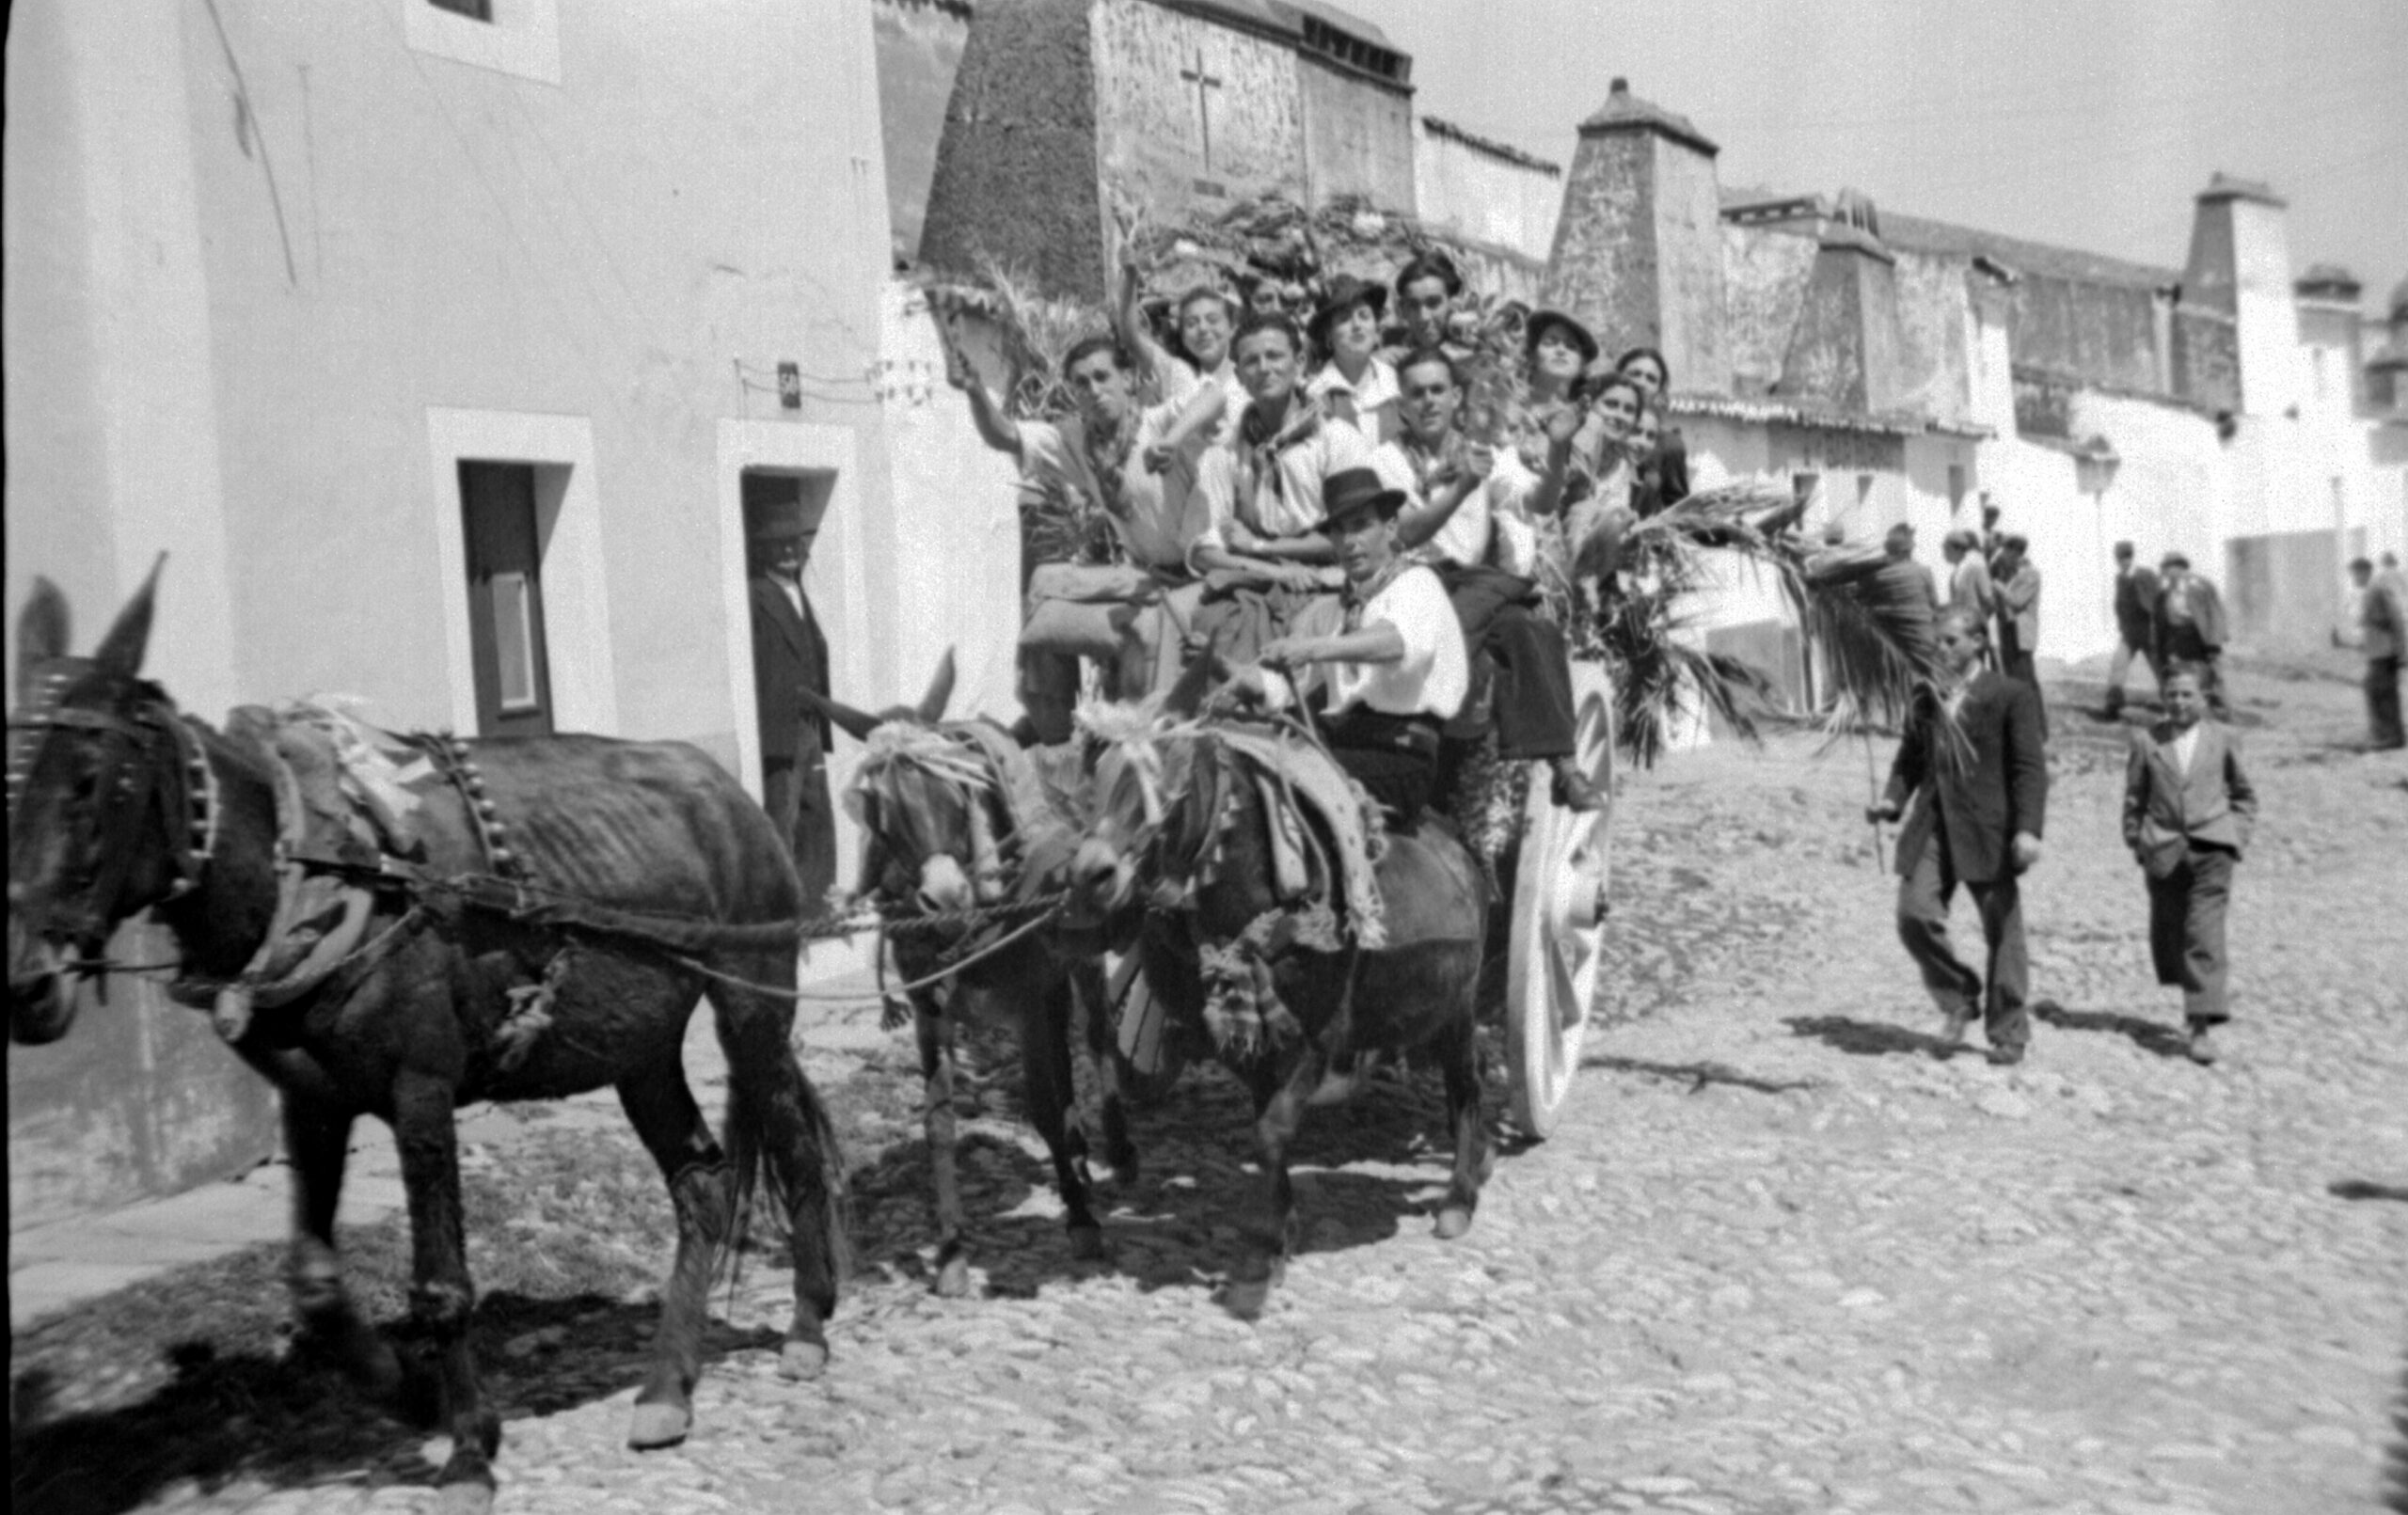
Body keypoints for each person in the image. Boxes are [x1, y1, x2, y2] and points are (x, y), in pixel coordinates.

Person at [951, 329, 1227, 744]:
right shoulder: (1076, 440)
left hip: (1202, 574)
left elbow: (1214, 397)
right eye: (1081, 383)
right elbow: (1005, 435)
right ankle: (1054, 732)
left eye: (1102, 377)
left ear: (1129, 380)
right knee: (1043, 589)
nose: (1093, 390)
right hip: (1146, 576)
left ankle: (1153, 739)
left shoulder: (1160, 421)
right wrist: (974, 391)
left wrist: (1171, 441)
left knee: (1149, 629)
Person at [1370, 347, 1598, 811]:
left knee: (1530, 627)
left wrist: (1557, 448)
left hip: (1475, 582)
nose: (1429, 401)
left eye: (1439, 390)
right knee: (1461, 616)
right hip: (1411, 583)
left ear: (1457, 398)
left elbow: (1540, 501)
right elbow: (1403, 534)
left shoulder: (1485, 455)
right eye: (1417, 393)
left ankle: (1565, 767)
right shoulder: (1386, 461)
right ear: (1401, 407)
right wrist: (1461, 489)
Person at [1212, 466, 1467, 820]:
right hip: (1339, 746)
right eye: (1339, 531)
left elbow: (1396, 643)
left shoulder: (1418, 584)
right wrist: (1233, 672)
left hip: (1399, 758)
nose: (1349, 542)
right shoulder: (1336, 611)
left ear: (1391, 528)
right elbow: (1291, 686)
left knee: (1280, 777)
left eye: (1361, 525)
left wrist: (1313, 648)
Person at [1866, 607, 2049, 1065]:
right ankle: (1959, 994)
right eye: (1937, 642)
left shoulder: (2010, 694)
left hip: (1989, 831)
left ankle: (2009, 1030)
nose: (1941, 650)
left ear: (1978, 643)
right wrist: (1892, 801)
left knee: (2003, 934)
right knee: (1914, 915)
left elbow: (2029, 768)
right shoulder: (1925, 695)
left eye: (1950, 641)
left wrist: (2027, 830)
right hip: (1933, 826)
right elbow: (1909, 757)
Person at [1189, 312, 1376, 662]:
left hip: (1330, 577)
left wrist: (1258, 545)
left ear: (1300, 363)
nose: (1263, 368)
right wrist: (1274, 569)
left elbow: (1355, 533)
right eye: (1251, 361)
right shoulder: (1225, 453)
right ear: (1239, 376)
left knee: (1317, 630)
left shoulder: (1337, 439)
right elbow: (1204, 550)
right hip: (1258, 580)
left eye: (1274, 356)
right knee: (1208, 622)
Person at [2122, 662, 2258, 1065]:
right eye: (2172, 695)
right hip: (2163, 849)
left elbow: (2244, 795)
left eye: (2187, 695)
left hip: (2212, 848)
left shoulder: (2223, 739)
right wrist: (2138, 841)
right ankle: (2192, 995)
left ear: (2204, 698)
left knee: (2204, 934)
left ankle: (2199, 1025)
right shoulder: (2148, 741)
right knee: (2170, 933)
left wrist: (2236, 836)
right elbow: (2134, 799)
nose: (2179, 702)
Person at [748, 515, 839, 907]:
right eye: (779, 544)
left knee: (816, 816)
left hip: (810, 724)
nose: (789, 551)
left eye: (794, 543)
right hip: (780, 727)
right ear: (764, 549)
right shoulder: (756, 594)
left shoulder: (799, 591)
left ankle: (817, 907)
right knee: (782, 819)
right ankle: (785, 912)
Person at [1115, 259, 1246, 443]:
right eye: (1192, 323)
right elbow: (1131, 338)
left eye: (1213, 320)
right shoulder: (1179, 374)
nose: (1203, 329)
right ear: (1183, 337)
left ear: (1232, 327)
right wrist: (1130, 278)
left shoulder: (1250, 378)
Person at [1305, 274, 1401, 444]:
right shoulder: (1316, 394)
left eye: (1364, 316)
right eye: (1344, 319)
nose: (1357, 325)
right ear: (1328, 334)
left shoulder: (1396, 382)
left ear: (1376, 327)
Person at [2151, 553, 2230, 717]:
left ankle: (2222, 711)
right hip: (2177, 639)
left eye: (2167, 568)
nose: (2164, 572)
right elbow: (2161, 621)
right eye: (2164, 569)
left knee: (2213, 675)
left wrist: (2214, 642)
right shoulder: (2165, 593)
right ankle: (2184, 713)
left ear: (2179, 568)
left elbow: (2215, 613)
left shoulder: (2199, 586)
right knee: (2177, 674)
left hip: (2201, 638)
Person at [2350, 555, 2405, 750]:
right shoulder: (2370, 592)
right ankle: (2384, 735)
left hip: (2384, 654)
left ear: (2364, 572)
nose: (2353, 578)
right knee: (2375, 691)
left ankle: (2389, 738)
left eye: (2355, 574)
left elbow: (2396, 619)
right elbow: (2374, 628)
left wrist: (2402, 653)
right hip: (2378, 653)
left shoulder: (2377, 590)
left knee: (2382, 694)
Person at [2101, 540, 2160, 719]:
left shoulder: (2146, 574)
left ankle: (2175, 703)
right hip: (2129, 632)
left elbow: (2158, 600)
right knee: (2118, 664)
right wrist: (2121, 624)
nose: (2123, 561)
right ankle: (2114, 704)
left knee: (2159, 668)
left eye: (2126, 557)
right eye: (2120, 558)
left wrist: (2157, 626)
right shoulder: (2120, 578)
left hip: (2148, 630)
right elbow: (2118, 603)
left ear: (2131, 557)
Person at [1385, 251, 1472, 365]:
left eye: (1433, 303)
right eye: (1413, 306)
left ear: (1454, 305)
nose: (1423, 317)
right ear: (1403, 309)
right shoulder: (1389, 349)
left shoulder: (1472, 357)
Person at [1993, 533, 2045, 721]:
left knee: (2026, 680)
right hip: (2009, 630)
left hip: (2022, 634)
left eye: (2006, 551)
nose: (2003, 555)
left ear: (2015, 552)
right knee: (2013, 678)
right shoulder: (2012, 573)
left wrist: (1998, 586)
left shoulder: (2030, 574)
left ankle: (2037, 725)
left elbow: (2016, 601)